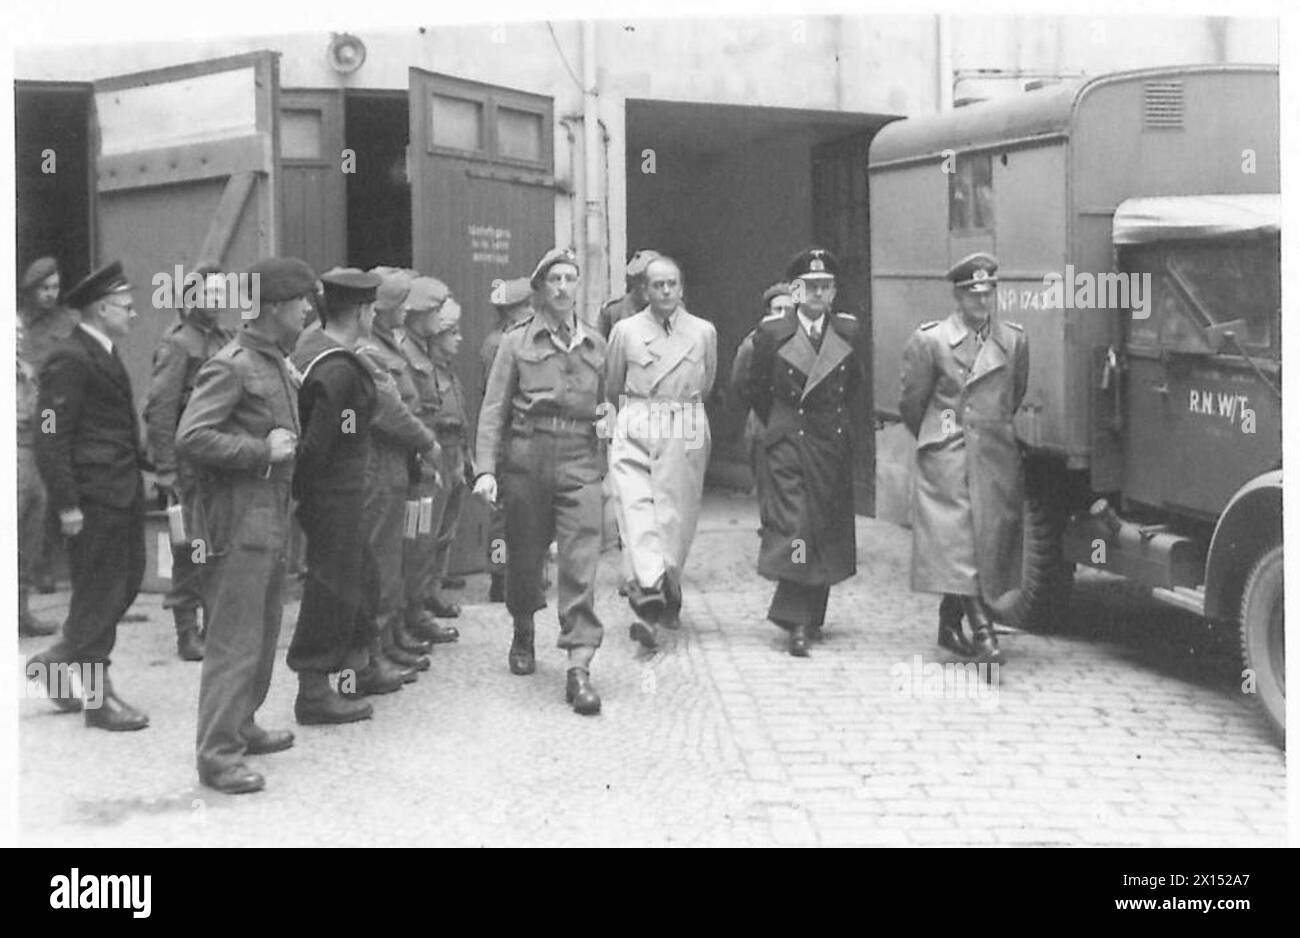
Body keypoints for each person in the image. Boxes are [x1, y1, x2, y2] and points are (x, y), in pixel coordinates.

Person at [176, 256, 315, 794]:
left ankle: (243, 723)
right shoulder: (231, 365)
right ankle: (217, 754)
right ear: (276, 307)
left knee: (262, 631)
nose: (307, 310)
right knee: (234, 639)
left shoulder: (275, 360)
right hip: (237, 519)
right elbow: (191, 437)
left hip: (271, 512)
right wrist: (261, 449)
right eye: (300, 302)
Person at [473, 247, 607, 715]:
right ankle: (523, 627)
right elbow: (494, 409)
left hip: (580, 460)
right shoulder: (515, 342)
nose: (564, 287)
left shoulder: (595, 342)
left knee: (580, 559)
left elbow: (608, 404)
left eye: (571, 278)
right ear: (540, 289)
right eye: (555, 279)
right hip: (528, 457)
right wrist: (486, 470)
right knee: (525, 557)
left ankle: (579, 665)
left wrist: (609, 435)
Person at [27, 260, 149, 729]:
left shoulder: (104, 351)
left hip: (120, 491)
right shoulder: (69, 359)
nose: (134, 314)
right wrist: (67, 504)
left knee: (124, 583)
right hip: (94, 499)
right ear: (101, 308)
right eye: (126, 306)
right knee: (99, 594)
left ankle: (56, 660)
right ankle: (98, 702)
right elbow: (50, 434)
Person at [899, 252, 1029, 666]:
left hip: (993, 455)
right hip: (948, 453)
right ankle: (985, 632)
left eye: (989, 292)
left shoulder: (1013, 340)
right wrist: (938, 434)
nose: (982, 302)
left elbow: (1014, 395)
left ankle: (949, 622)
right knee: (959, 544)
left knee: (986, 542)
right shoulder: (931, 341)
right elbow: (912, 402)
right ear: (957, 296)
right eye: (973, 294)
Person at [742, 248, 866, 657]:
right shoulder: (772, 333)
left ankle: (810, 612)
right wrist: (780, 423)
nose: (818, 294)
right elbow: (755, 386)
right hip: (789, 438)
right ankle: (795, 619)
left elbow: (853, 388)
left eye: (825, 287)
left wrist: (829, 421)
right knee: (797, 524)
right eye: (810, 287)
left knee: (824, 525)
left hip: (827, 438)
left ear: (833, 292)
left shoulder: (846, 332)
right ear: (796, 291)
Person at [287, 268, 388, 724]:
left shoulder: (321, 354)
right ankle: (313, 689)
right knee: (332, 588)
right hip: (336, 493)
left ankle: (353, 671)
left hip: (337, 491)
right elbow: (323, 442)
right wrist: (309, 496)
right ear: (363, 312)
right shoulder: (339, 370)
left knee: (359, 579)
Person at [605, 256, 717, 648]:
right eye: (657, 285)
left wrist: (685, 414)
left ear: (682, 288)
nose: (666, 291)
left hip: (684, 418)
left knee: (677, 516)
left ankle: (668, 585)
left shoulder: (703, 331)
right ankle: (648, 595)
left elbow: (708, 381)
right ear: (644, 291)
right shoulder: (626, 330)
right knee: (635, 508)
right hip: (639, 416)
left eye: (672, 284)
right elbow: (612, 383)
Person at [144, 262, 236, 661]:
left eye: (221, 293)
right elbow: (161, 411)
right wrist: (165, 470)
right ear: (190, 297)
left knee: (217, 544)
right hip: (188, 466)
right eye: (208, 293)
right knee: (192, 548)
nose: (216, 300)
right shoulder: (179, 344)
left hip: (219, 460)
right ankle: (187, 629)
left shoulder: (226, 338)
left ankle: (215, 622)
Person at [355, 266, 441, 677]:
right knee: (379, 559)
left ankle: (390, 638)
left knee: (397, 553)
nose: (406, 311)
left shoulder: (390, 343)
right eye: (399, 304)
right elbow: (391, 409)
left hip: (398, 463)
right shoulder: (368, 349)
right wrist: (426, 441)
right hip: (381, 462)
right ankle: (373, 651)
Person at [399, 278, 463, 640]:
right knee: (416, 539)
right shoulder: (406, 355)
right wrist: (425, 461)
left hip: (437, 453)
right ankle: (410, 613)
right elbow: (410, 414)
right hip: (423, 459)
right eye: (436, 313)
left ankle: (419, 605)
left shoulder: (420, 353)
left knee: (430, 535)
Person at [19, 256, 79, 596]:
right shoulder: (18, 325)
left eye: (55, 287)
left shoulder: (68, 320)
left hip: (65, 409)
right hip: (40, 413)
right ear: (31, 290)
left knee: (66, 484)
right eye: (44, 288)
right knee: (39, 491)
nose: (50, 294)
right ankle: (39, 567)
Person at [480, 276, 534, 602]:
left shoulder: (502, 339)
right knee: (502, 516)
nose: (531, 310)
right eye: (526, 306)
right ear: (513, 310)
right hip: (507, 439)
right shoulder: (500, 344)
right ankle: (500, 575)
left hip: (518, 437)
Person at [730, 282, 794, 505]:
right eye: (777, 310)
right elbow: (739, 382)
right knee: (768, 487)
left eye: (789, 309)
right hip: (763, 424)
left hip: (797, 425)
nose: (783, 315)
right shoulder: (753, 344)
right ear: (768, 313)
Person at [16, 320, 56, 635]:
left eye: (19, 330)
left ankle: (21, 612)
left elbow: (44, 413)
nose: (17, 335)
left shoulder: (28, 372)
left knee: (30, 536)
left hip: (32, 455)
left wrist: (51, 429)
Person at [595, 249, 659, 340]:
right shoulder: (613, 312)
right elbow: (599, 349)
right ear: (633, 282)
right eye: (643, 280)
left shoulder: (670, 310)